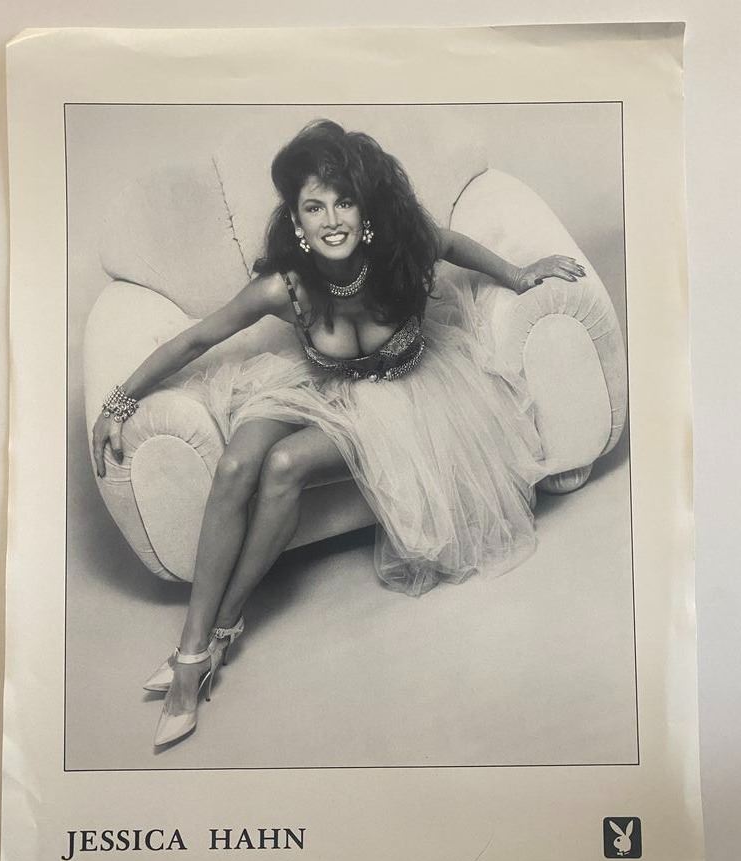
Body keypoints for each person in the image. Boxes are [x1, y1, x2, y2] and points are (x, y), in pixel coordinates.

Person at [91, 119, 585, 748]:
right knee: (237, 465)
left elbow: (455, 244)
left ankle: (220, 633)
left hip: (401, 393)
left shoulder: (402, 244)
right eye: (314, 206)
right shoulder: (287, 287)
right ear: (296, 218)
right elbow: (195, 340)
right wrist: (118, 402)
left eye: (343, 202)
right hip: (316, 381)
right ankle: (193, 647)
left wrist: (518, 275)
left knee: (283, 466)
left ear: (364, 207)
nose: (331, 221)